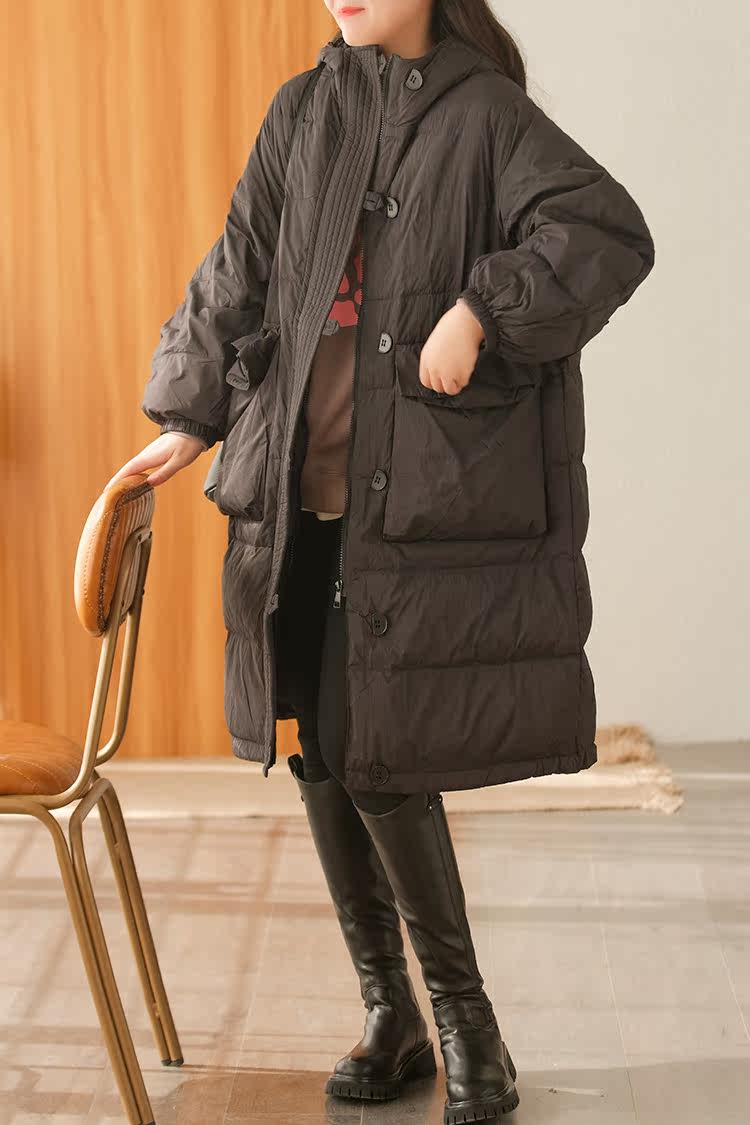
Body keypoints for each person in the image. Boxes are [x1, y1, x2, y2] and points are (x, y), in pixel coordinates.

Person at [108, 1, 655, 1120]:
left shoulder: (484, 113)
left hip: (409, 504)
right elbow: (239, 266)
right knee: (319, 745)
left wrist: (482, 308)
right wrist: (187, 415)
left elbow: (604, 229)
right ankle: (390, 1011)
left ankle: (466, 1023)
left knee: (378, 755)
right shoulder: (303, 110)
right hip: (292, 486)